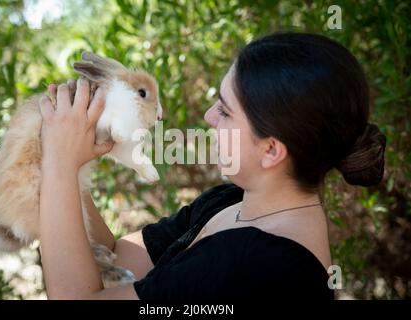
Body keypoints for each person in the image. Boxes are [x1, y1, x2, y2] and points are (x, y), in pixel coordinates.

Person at [38, 32, 386, 300]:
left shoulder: (258, 265)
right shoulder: (231, 201)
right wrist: (74, 158)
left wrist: (58, 164)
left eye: (225, 111)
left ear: (270, 150)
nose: (208, 118)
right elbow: (116, 256)